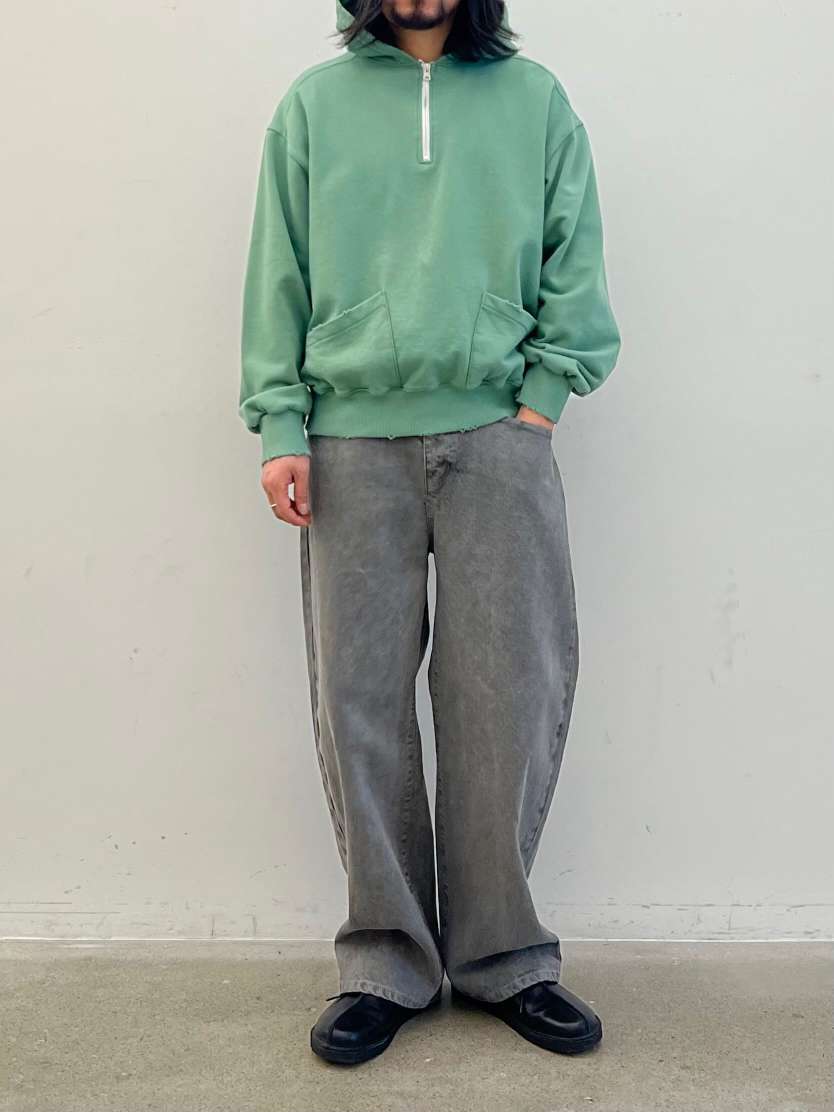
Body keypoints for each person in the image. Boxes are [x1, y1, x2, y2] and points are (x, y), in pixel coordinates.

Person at [239, 0, 621, 1066]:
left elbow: (577, 253)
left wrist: (542, 397)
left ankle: (504, 957)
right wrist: (281, 423)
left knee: (508, 692)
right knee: (358, 699)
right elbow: (278, 271)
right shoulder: (312, 107)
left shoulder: (535, 99)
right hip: (348, 441)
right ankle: (385, 962)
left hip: (499, 434)